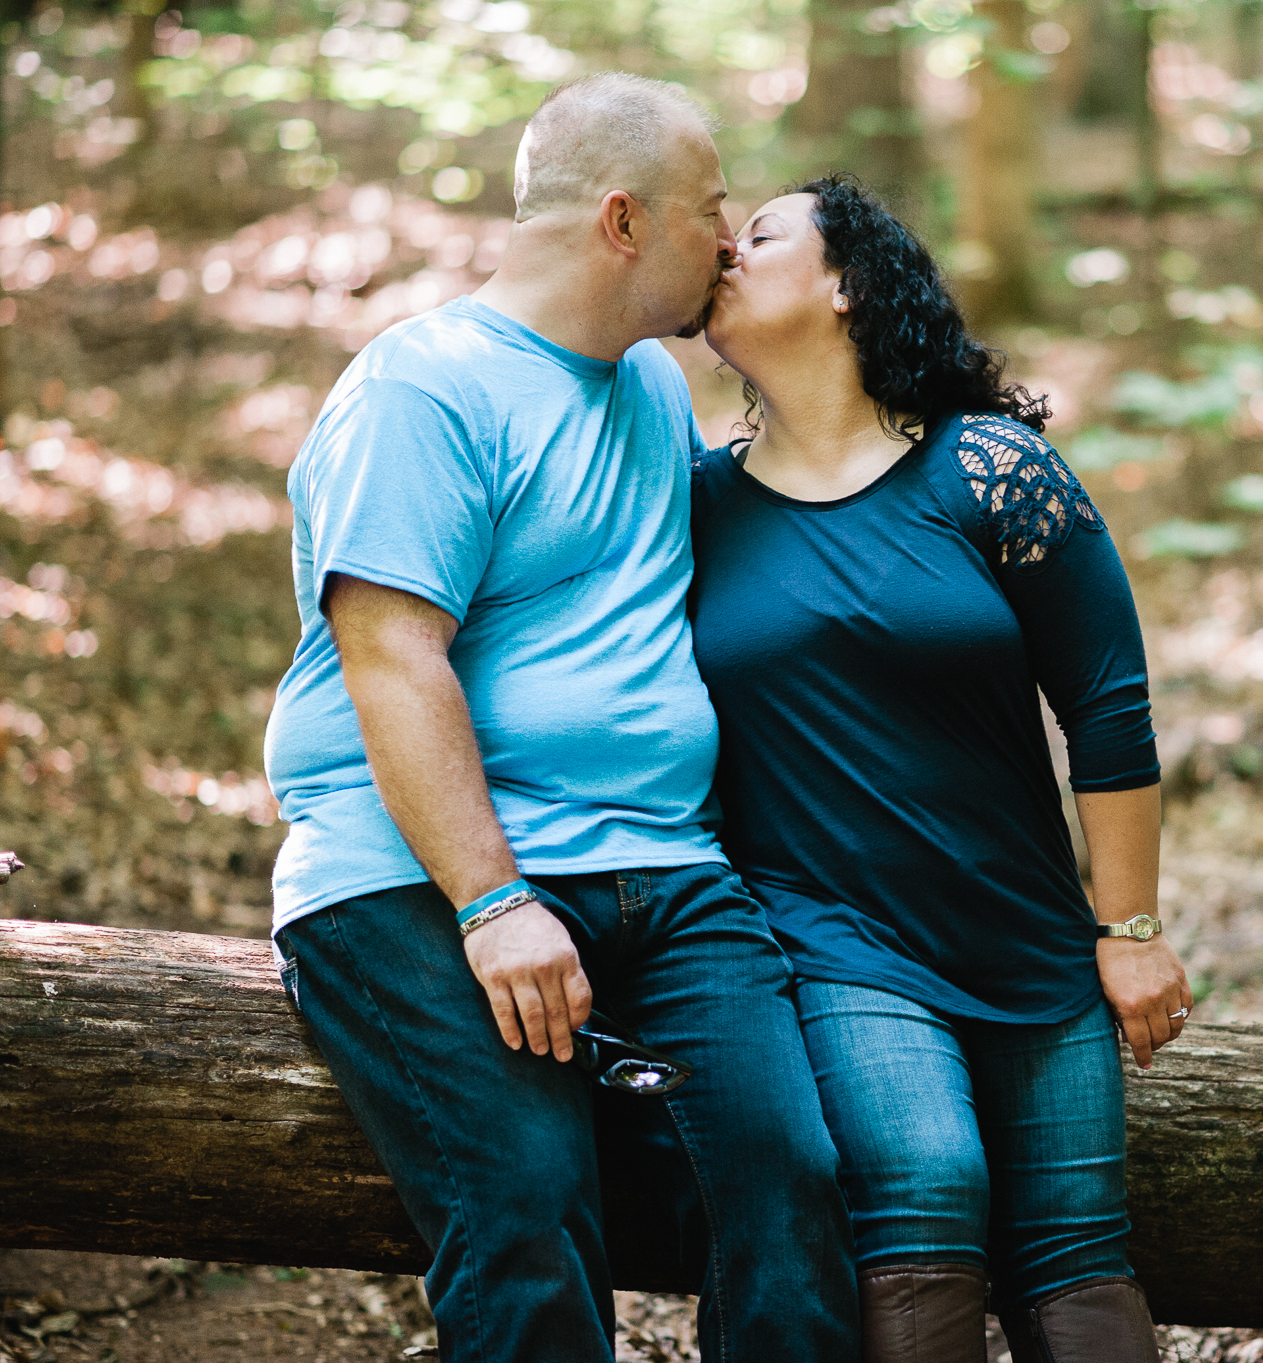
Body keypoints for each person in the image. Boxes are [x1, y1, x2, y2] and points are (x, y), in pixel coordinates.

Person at [261, 75, 857, 1363]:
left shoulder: (648, 386)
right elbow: (392, 654)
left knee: (791, 1180)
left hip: (661, 871)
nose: (733, 237)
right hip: (417, 873)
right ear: (625, 222)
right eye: (714, 211)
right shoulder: (421, 389)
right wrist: (491, 902)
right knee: (526, 1202)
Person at [689, 174, 1191, 1363]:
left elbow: (1107, 707)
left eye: (759, 235)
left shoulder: (991, 471)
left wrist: (1126, 926)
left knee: (1077, 1254)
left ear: (847, 285)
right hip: (832, 936)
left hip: (1023, 930)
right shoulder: (692, 506)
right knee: (925, 1179)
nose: (725, 250)